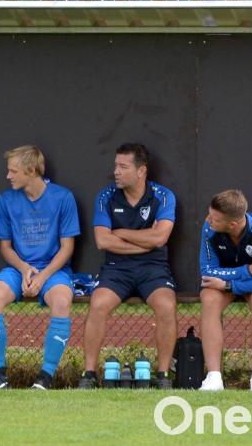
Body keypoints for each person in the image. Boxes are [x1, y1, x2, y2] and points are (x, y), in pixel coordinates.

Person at [79, 142, 178, 389]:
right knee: (98, 304)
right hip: (117, 269)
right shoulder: (106, 196)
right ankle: (89, 373)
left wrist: (120, 232)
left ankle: (163, 374)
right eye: (116, 166)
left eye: (123, 167)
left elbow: (160, 238)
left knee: (166, 306)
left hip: (153, 268)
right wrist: (145, 241)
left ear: (141, 171)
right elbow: (102, 240)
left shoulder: (164, 196)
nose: (116, 172)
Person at [0, 146, 80, 390]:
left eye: (13, 171)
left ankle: (45, 377)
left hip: (53, 270)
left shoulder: (63, 197)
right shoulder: (5, 199)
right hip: (18, 269)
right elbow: (5, 247)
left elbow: (67, 248)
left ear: (32, 171)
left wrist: (42, 276)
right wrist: (25, 269)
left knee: (62, 301)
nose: (8, 176)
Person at [198, 189, 252, 392]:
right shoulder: (209, 229)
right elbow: (208, 273)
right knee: (208, 298)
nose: (208, 220)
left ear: (232, 224)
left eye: (214, 218)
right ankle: (214, 377)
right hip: (233, 281)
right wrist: (248, 270)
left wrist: (229, 285)